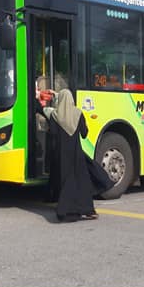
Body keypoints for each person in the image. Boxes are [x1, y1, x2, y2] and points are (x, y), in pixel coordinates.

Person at [36, 88, 111, 222]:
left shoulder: (55, 115)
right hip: (77, 154)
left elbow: (52, 133)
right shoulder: (78, 113)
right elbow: (84, 133)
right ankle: (88, 210)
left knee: (66, 182)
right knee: (82, 182)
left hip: (61, 154)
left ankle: (66, 211)